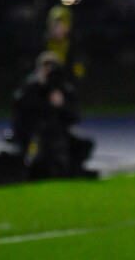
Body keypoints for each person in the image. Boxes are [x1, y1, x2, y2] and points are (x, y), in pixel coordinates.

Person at [9, 51, 94, 180]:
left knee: (83, 143)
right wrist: (39, 87)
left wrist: (62, 104)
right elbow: (20, 109)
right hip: (34, 132)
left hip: (59, 133)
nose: (49, 71)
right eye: (45, 67)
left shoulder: (62, 88)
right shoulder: (30, 87)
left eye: (52, 68)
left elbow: (75, 116)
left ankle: (70, 167)